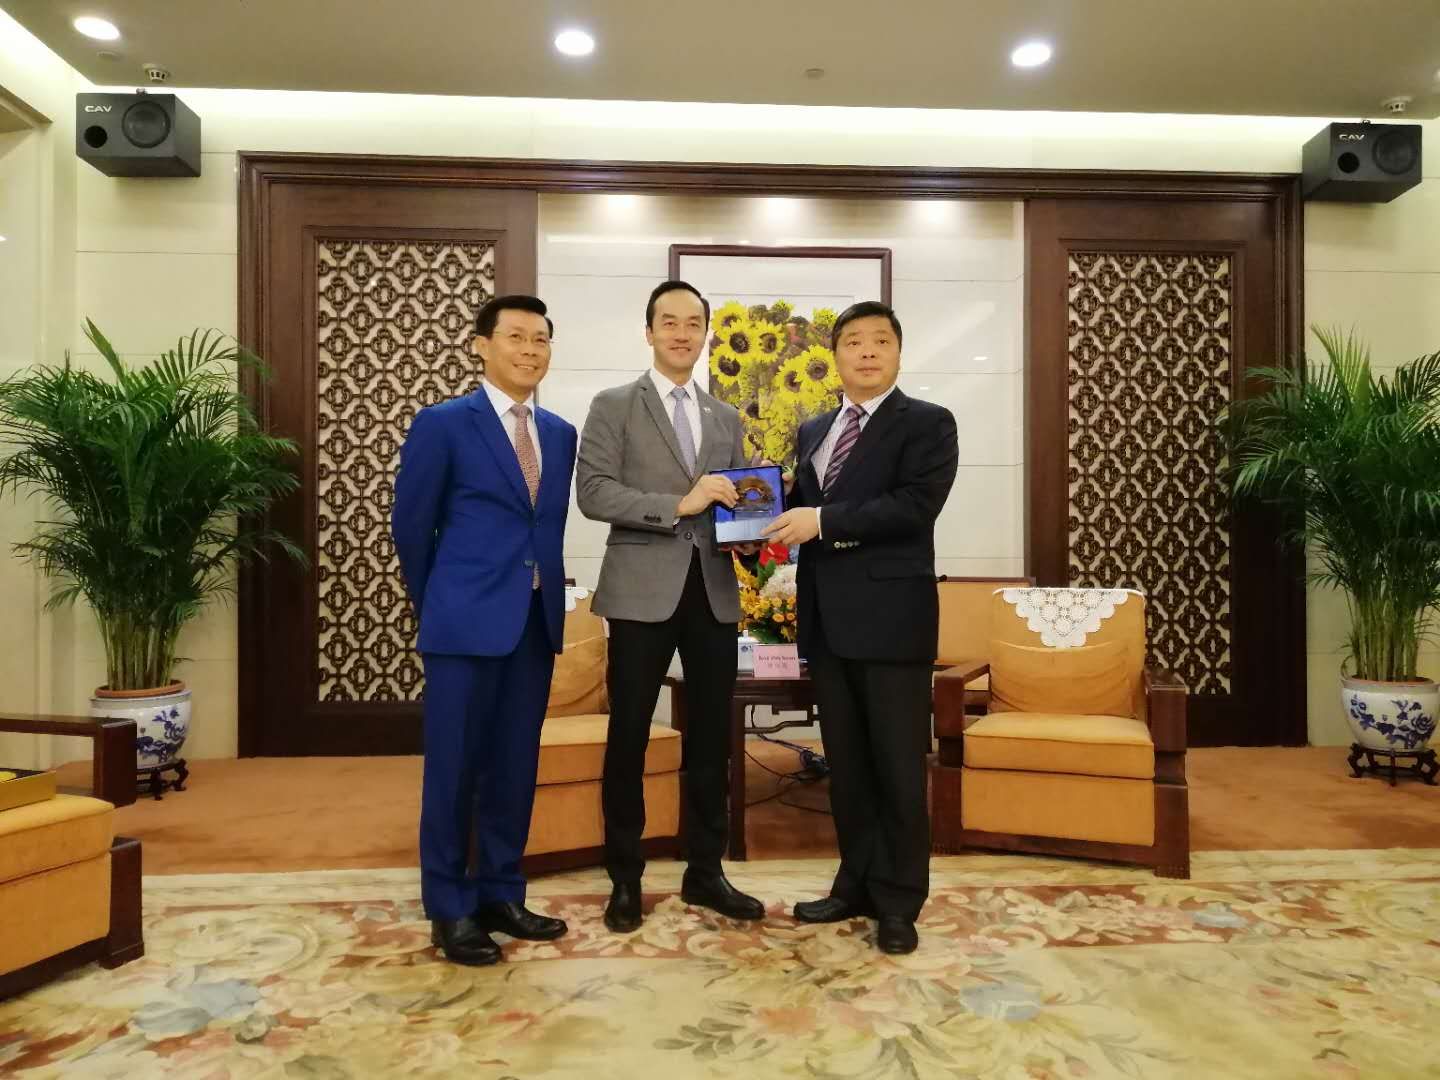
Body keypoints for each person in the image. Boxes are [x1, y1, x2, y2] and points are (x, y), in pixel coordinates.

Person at [764, 300, 958, 955]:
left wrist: (821, 521)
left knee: (898, 769)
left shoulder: (928, 423)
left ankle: (899, 901)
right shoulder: (815, 428)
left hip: (893, 621)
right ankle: (855, 885)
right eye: (853, 341)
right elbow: (801, 507)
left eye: (880, 340)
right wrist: (759, 507)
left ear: (898, 352)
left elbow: (914, 507)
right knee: (847, 769)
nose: (867, 351)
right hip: (828, 622)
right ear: (837, 355)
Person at [391, 294, 577, 966]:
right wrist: (439, 603)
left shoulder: (559, 433)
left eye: (541, 339)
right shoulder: (443, 424)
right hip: (462, 625)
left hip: (533, 622)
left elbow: (543, 527)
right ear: (481, 345)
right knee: (454, 770)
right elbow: (412, 527)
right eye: (516, 336)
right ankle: (450, 907)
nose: (530, 350)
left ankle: (502, 892)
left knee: (514, 767)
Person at [576, 280, 766, 933]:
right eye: (670, 322)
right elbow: (594, 492)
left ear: (705, 334)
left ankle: (705, 872)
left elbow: (733, 504)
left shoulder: (725, 416)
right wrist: (679, 504)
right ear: (649, 331)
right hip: (639, 592)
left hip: (713, 592)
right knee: (628, 735)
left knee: (712, 740)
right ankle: (625, 878)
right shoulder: (613, 405)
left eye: (693, 324)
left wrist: (753, 526)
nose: (682, 334)